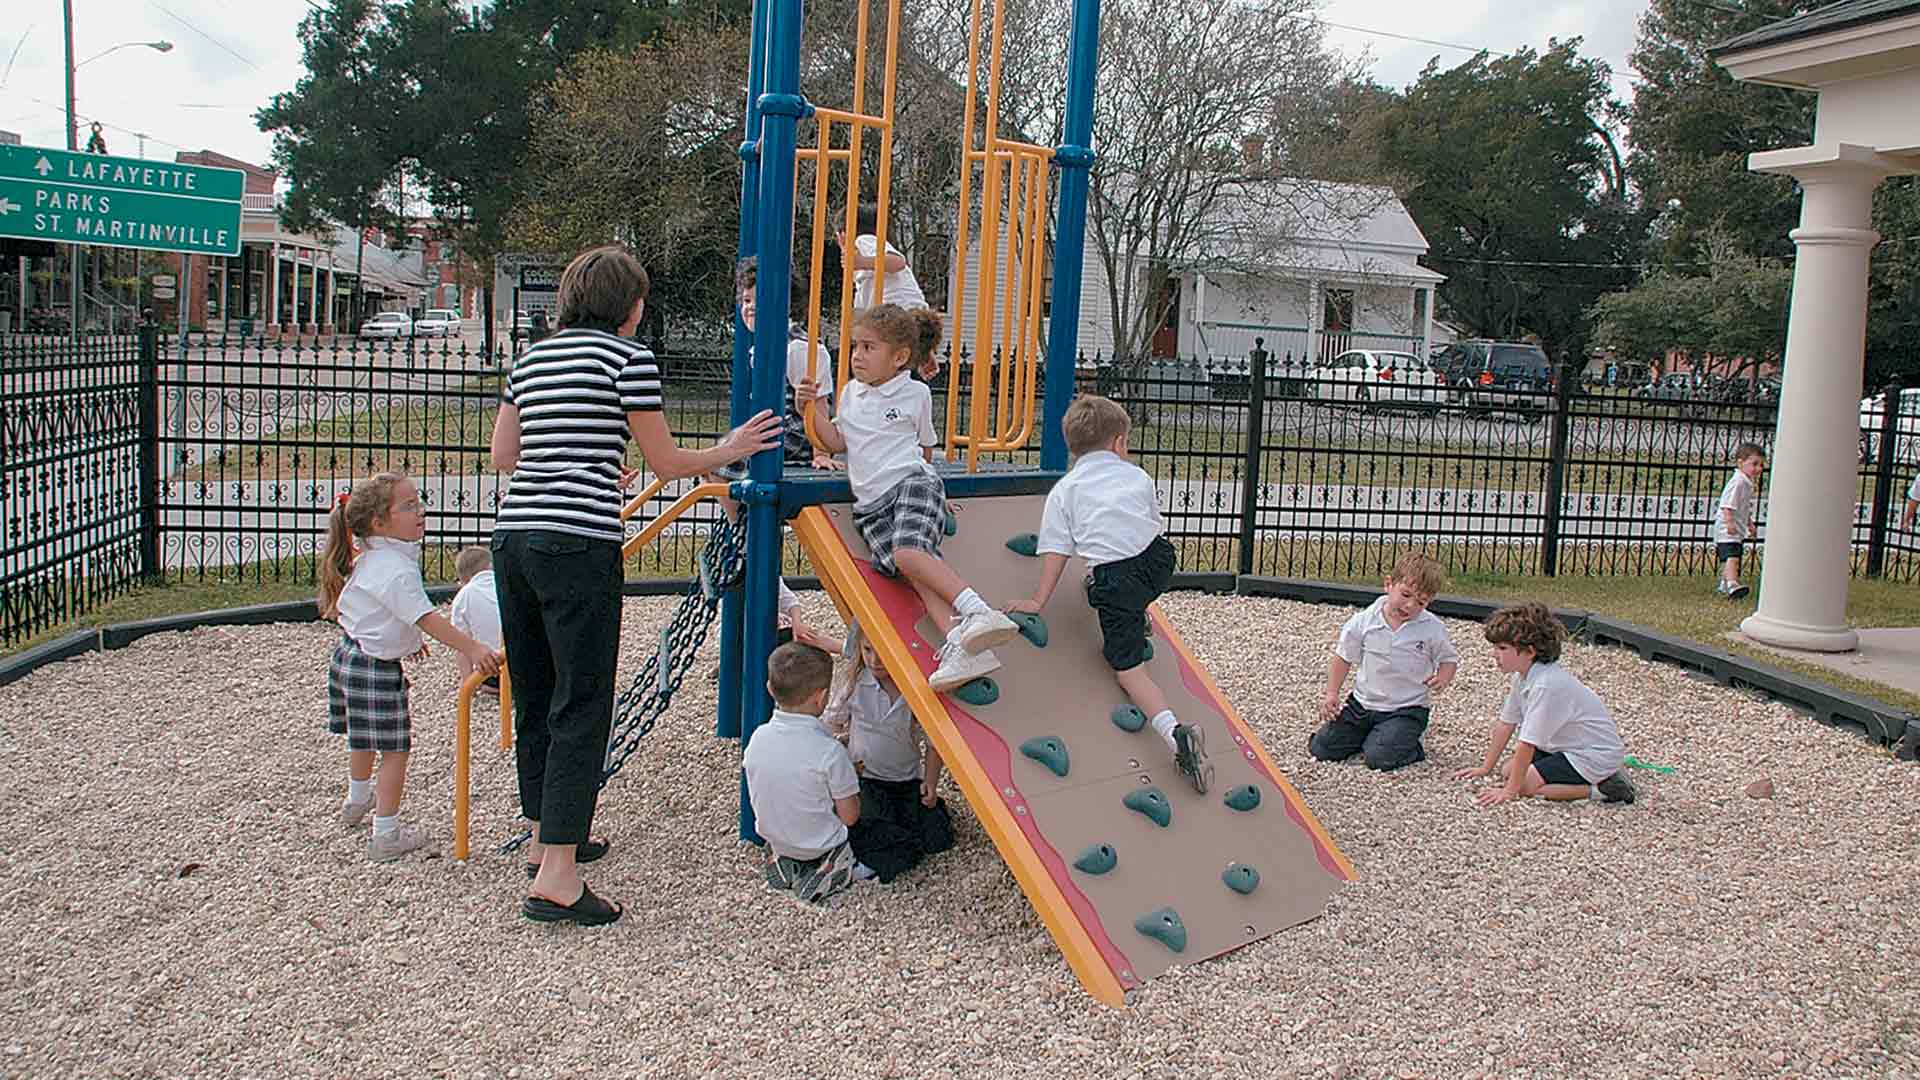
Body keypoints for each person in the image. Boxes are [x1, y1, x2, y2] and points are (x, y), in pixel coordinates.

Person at [489, 245, 781, 925]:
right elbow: (666, 460)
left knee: (536, 693)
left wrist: (584, 461)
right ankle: (557, 878)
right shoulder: (628, 359)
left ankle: (544, 837)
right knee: (583, 699)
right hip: (577, 543)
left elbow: (506, 454)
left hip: (515, 539)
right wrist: (732, 449)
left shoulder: (531, 358)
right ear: (631, 306)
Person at [795, 304, 1020, 692]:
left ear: (899, 357)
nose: (857, 355)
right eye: (855, 346)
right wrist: (810, 408)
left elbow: (925, 450)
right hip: (872, 506)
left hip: (910, 483)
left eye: (869, 347)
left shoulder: (915, 393)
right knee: (915, 577)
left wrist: (933, 492)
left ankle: (979, 610)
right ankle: (962, 646)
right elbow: (834, 441)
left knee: (908, 555)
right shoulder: (849, 395)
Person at [1007, 394, 1213, 793]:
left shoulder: (1066, 490)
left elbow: (1057, 551)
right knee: (1126, 583)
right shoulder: (1137, 476)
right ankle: (1138, 610)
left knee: (1127, 669)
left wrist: (1038, 600)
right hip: (1159, 560)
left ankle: (1176, 735)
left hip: (1117, 580)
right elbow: (1148, 524)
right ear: (1119, 443)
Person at [318, 473, 504, 862]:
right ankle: (385, 834)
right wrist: (472, 647)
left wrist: (408, 642)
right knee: (395, 750)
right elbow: (426, 617)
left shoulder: (374, 553)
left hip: (350, 655)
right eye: (408, 506)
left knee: (363, 737)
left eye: (418, 502)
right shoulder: (395, 567)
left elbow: (386, 611)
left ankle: (357, 797)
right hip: (374, 669)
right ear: (379, 522)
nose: (420, 511)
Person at [1454, 602, 1635, 807]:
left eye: (1502, 648)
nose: (1495, 654)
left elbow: (1527, 743)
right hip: (1565, 746)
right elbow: (1506, 724)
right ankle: (1593, 779)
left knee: (1524, 786)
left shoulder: (1546, 686)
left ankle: (1606, 790)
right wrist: (1486, 767)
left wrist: (1510, 791)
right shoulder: (1522, 677)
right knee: (1508, 770)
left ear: (1530, 651)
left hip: (1592, 754)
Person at [744, 642, 872, 903]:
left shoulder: (758, 738)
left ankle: (781, 857)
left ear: (770, 689)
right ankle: (834, 868)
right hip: (819, 844)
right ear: (821, 698)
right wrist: (851, 777)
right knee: (866, 824)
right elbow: (850, 817)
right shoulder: (830, 752)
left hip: (774, 835)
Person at [1308, 552, 1459, 772]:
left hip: (1406, 709)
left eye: (1421, 602)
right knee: (1322, 748)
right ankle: (1373, 735)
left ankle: (1410, 746)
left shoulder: (1431, 628)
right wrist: (1332, 693)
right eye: (1405, 594)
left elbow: (1448, 659)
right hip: (1362, 704)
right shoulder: (1364, 621)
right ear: (1389, 584)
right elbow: (1343, 657)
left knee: (1379, 758)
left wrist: (1443, 677)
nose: (1410, 605)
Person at [827, 623, 954, 882]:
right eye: (867, 650)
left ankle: (893, 837)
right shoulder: (855, 684)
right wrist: (841, 759)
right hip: (867, 781)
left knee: (938, 839)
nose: (874, 660)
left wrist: (930, 782)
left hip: (907, 782)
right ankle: (855, 857)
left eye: (882, 652)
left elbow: (935, 741)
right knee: (873, 827)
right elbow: (829, 724)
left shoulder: (916, 688)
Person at [734, 256, 838, 469]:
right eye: (746, 300)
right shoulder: (763, 346)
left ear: (784, 305)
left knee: (720, 463)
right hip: (770, 434)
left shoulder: (797, 348)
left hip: (794, 441)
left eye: (760, 300)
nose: (751, 307)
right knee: (714, 462)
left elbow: (817, 403)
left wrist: (821, 453)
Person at [840, 202, 928, 313]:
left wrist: (862, 262)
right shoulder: (868, 249)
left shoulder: (864, 240)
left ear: (842, 234)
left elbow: (898, 262)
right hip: (903, 309)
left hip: (901, 308)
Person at [1714, 443, 1765, 600]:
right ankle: (1732, 584)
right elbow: (1727, 505)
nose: (1758, 468)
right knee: (1732, 557)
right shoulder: (1738, 482)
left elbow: (1742, 507)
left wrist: (1749, 524)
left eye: (1761, 465)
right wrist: (1729, 523)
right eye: (1754, 464)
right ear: (1740, 463)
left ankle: (1724, 584)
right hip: (1727, 529)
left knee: (1729, 557)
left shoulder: (1746, 482)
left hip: (1736, 528)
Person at [450, 546, 503, 694]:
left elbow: (461, 645)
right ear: (492, 566)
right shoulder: (509, 586)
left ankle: (487, 685)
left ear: (463, 579)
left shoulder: (464, 596)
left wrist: (468, 682)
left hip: (494, 670)